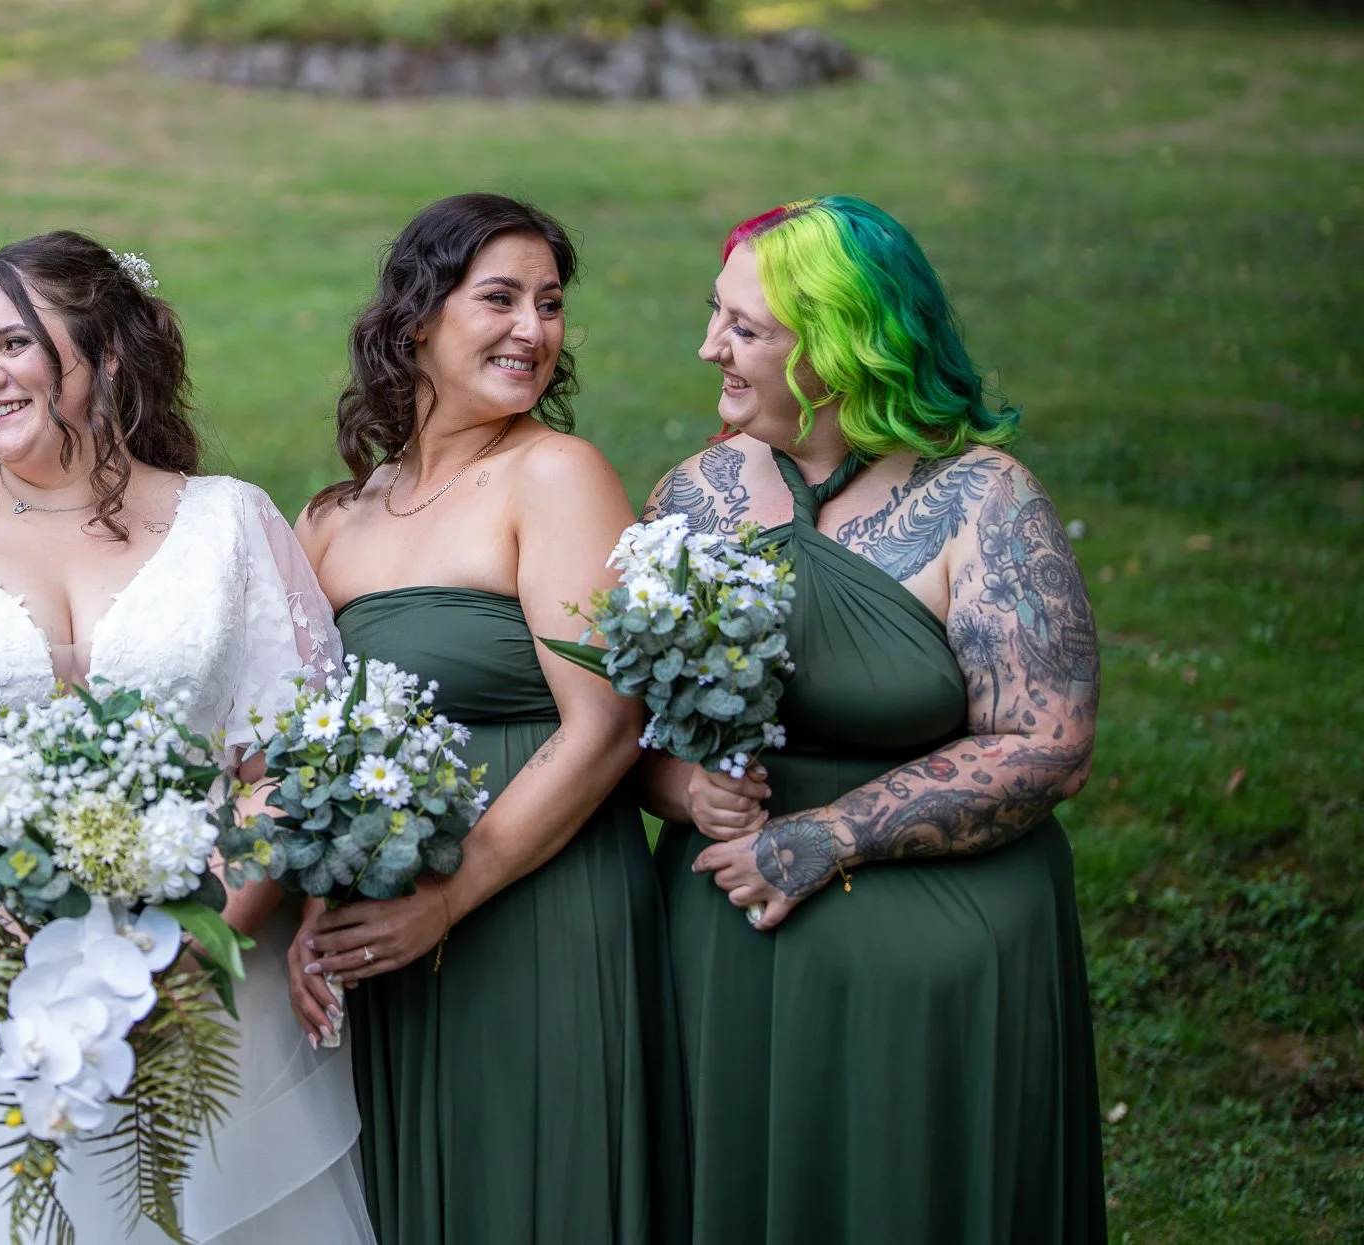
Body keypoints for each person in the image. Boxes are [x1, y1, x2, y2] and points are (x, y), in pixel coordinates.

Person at [0, 232, 374, 1245]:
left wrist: (189, 936)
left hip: (204, 987)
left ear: (105, 354)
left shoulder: (231, 524)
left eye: (14, 343)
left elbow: (287, 767)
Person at [641, 195, 1107, 1243]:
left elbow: (1047, 746)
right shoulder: (690, 497)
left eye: (744, 330)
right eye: (715, 315)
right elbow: (625, 723)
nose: (706, 346)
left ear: (840, 349)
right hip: (722, 946)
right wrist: (678, 786)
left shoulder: (984, 501)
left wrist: (823, 838)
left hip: (930, 947)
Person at [293, 192, 691, 1245]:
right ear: (418, 318)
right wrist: (303, 910)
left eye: (550, 304)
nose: (533, 329)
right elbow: (294, 746)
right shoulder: (335, 517)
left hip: (536, 906)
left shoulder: (555, 475)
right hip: (382, 929)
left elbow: (603, 726)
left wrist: (450, 894)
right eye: (500, 298)